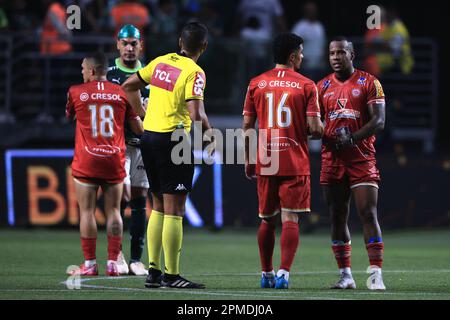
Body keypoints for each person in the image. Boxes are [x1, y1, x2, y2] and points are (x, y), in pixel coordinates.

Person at [122, 22, 213, 289]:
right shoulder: (195, 72)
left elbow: (129, 85)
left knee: (158, 205)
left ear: (179, 42)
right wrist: (210, 135)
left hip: (148, 138)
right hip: (174, 141)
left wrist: (143, 114)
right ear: (204, 47)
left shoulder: (160, 62)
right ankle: (172, 276)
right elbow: (196, 115)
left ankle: (153, 272)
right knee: (176, 210)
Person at [243, 33, 323, 289]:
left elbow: (247, 126)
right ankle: (284, 274)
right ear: (292, 56)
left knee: (267, 219)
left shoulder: (256, 83)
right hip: (294, 159)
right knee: (291, 218)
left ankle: (265, 273)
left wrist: (248, 158)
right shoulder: (307, 85)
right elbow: (315, 128)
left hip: (266, 159)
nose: (303, 56)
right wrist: (319, 127)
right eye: (300, 51)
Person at [317, 38, 386, 290]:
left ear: (352, 54)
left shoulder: (370, 82)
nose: (335, 57)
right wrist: (318, 132)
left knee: (368, 213)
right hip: (332, 159)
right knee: (337, 216)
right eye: (332, 53)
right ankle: (346, 276)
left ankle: (375, 275)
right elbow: (315, 123)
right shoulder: (321, 86)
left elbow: (379, 121)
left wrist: (352, 138)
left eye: (341, 52)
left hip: (362, 158)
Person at [66, 52, 143, 276]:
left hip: (87, 160)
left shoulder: (75, 91)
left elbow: (69, 115)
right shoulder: (121, 93)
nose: (82, 72)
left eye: (83, 68)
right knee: (113, 212)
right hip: (114, 159)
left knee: (87, 212)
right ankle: (112, 263)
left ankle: (90, 264)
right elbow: (138, 128)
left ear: (91, 70)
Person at [107, 24, 150, 276]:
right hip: (118, 146)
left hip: (142, 147)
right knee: (120, 198)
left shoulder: (150, 75)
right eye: (126, 43)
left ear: (140, 46)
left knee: (139, 201)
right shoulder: (110, 75)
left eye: (134, 43)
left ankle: (135, 258)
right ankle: (117, 254)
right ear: (118, 45)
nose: (130, 48)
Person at [291, 1, 326, 80]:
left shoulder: (319, 26)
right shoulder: (300, 26)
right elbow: (293, 45)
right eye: (310, 10)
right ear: (305, 11)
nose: (313, 12)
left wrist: (323, 59)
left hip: (319, 65)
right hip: (306, 66)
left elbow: (322, 44)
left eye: (314, 10)